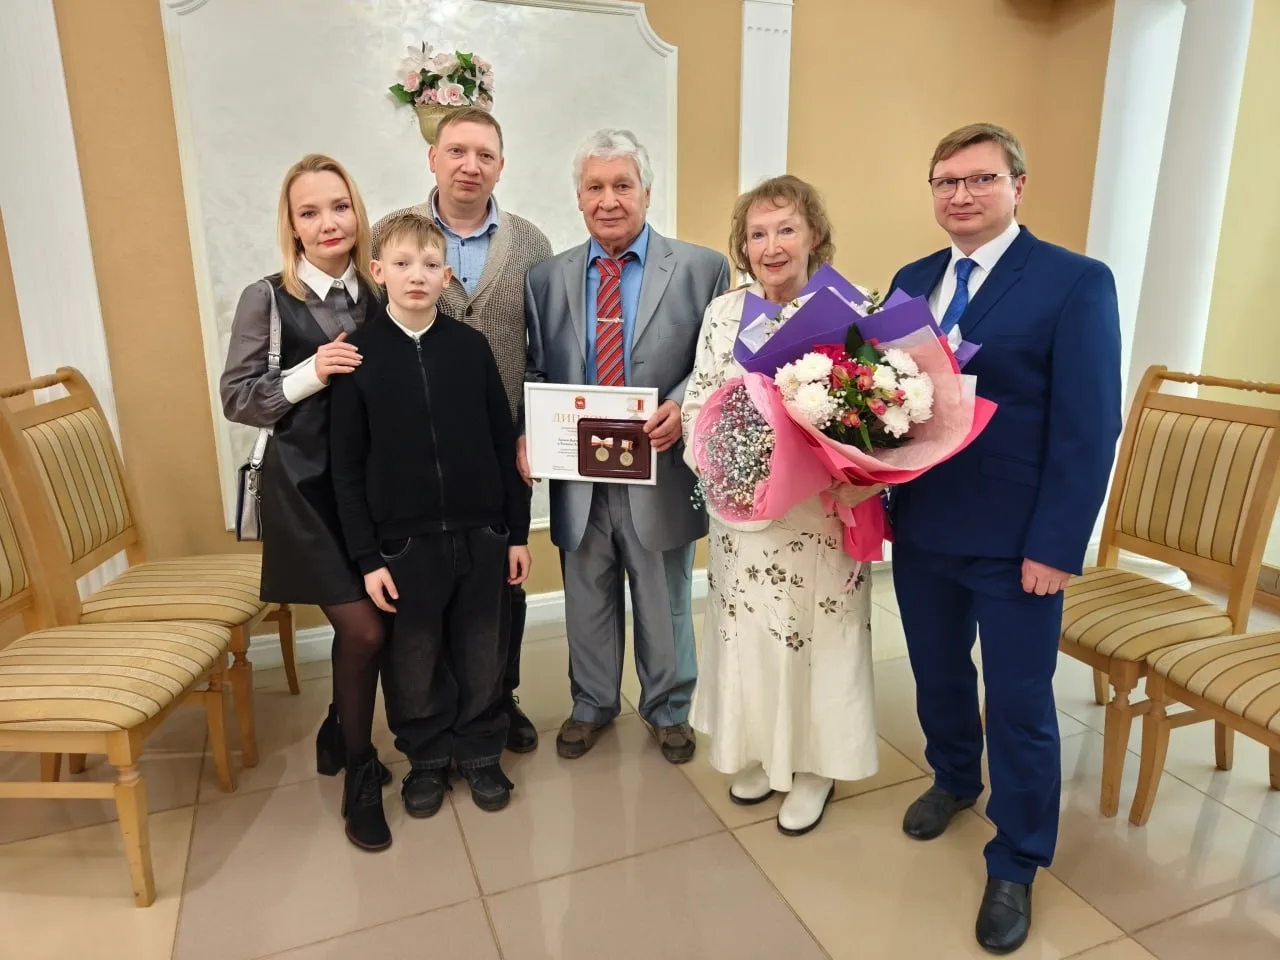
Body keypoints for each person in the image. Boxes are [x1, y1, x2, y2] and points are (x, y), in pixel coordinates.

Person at [888, 123, 1122, 954]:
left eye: (980, 178)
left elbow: (1089, 427)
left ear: (1017, 186)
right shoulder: (912, 280)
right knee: (937, 671)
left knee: (1020, 703)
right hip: (923, 525)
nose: (961, 194)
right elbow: (887, 400)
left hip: (1018, 541)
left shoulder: (1074, 281)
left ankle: (1018, 856)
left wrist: (1057, 547)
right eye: (946, 181)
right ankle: (954, 776)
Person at [522, 129, 730, 763]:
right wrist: (533, 431)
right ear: (578, 197)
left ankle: (669, 709)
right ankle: (592, 703)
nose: (608, 200)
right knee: (586, 597)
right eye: (595, 187)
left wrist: (684, 406)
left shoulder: (701, 269)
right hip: (579, 475)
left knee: (663, 600)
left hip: (659, 466)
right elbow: (536, 368)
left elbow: (717, 362)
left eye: (622, 185)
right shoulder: (545, 278)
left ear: (647, 191)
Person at [681, 176, 881, 836]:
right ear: (743, 245)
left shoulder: (850, 307)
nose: (771, 246)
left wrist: (858, 469)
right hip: (743, 515)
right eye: (757, 233)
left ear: (813, 234)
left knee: (817, 639)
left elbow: (879, 414)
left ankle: (817, 766)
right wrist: (725, 465)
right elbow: (699, 402)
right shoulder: (723, 313)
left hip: (819, 515)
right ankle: (767, 754)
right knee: (751, 638)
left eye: (786, 229)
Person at [330, 212, 531, 840]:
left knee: (483, 645)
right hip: (403, 542)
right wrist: (368, 559)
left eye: (429, 264)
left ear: (447, 277)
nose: (416, 275)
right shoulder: (359, 358)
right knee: (413, 656)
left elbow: (503, 444)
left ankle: (479, 749)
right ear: (378, 271)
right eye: (402, 264)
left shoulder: (470, 349)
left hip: (483, 532)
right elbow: (346, 470)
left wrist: (517, 533)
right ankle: (426, 755)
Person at [220, 154, 392, 850]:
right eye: (309, 212)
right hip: (303, 491)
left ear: (357, 211)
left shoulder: (380, 290)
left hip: (368, 489)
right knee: (364, 632)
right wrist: (310, 373)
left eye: (339, 206)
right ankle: (360, 769)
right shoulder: (267, 298)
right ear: (291, 225)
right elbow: (237, 399)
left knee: (380, 621)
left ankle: (335, 725)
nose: (328, 223)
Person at [372, 108, 553, 754]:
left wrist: (533, 429)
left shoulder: (531, 245)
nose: (470, 165)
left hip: (501, 448)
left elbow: (543, 348)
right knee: (428, 600)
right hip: (421, 457)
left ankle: (499, 700)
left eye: (484, 154)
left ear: (501, 165)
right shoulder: (395, 237)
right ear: (433, 158)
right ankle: (440, 719)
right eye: (456, 151)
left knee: (502, 587)